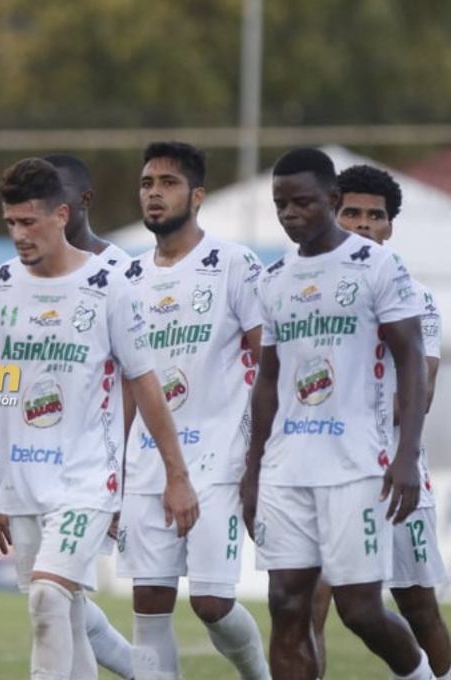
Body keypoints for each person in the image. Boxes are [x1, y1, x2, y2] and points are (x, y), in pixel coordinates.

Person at [0, 157, 200, 680]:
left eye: (29, 222)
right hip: (24, 484)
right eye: (10, 223)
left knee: (49, 599)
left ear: (61, 215)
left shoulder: (110, 284)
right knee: (64, 613)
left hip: (88, 480)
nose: (18, 234)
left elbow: (145, 384)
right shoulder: (0, 286)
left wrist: (176, 475)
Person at [241, 147, 434, 680]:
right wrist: (253, 469)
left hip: (356, 467)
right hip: (287, 469)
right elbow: (269, 380)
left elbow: (412, 360)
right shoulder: (274, 279)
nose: (289, 214)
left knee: (361, 612)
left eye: (302, 202)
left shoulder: (378, 266)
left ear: (331, 199)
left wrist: (406, 455)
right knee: (286, 607)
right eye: (281, 205)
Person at [116, 141, 270, 680]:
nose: (154, 194)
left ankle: (259, 673)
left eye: (168, 183)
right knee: (149, 600)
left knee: (211, 604)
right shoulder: (128, 279)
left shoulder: (235, 265)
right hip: (145, 465)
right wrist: (117, 469)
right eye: (146, 184)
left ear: (197, 196)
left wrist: (257, 454)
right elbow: (129, 388)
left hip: (219, 464)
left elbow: (266, 362)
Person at [311, 164, 450, 679]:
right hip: (317, 472)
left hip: (393, 471)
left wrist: (333, 407)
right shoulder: (300, 290)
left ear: (390, 226)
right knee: (307, 607)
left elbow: (421, 390)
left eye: (376, 215)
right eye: (352, 212)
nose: (364, 224)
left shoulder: (413, 296)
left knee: (416, 607)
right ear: (332, 212)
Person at [40, 153, 135, 679]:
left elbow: (141, 380)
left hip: (103, 464)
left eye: (59, 198)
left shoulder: (122, 273)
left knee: (56, 589)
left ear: (83, 202)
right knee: (55, 591)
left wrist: (123, 465)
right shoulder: (25, 278)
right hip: (40, 462)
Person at [44, 154, 131, 265]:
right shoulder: (20, 270)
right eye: (39, 193)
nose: (45, 203)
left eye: (57, 192)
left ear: (85, 199)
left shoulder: (122, 269)